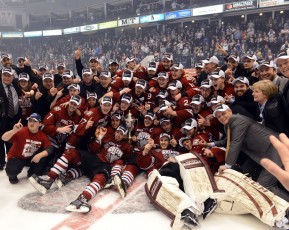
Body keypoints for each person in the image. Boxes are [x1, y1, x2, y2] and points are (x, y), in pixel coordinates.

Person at [211, 104, 289, 201]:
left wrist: (227, 166)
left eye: (223, 114)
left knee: (265, 185)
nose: (221, 117)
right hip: (267, 153)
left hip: (274, 150)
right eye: (218, 116)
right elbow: (227, 141)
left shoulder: (237, 121)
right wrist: (210, 144)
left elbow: (235, 143)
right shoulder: (228, 125)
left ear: (230, 111)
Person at [2, 113, 52, 184]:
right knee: (11, 171)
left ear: (40, 124)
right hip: (17, 157)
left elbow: (50, 148)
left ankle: (32, 173)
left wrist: (39, 155)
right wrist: (13, 131)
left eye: (34, 121)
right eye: (30, 120)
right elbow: (3, 138)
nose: (31, 123)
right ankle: (12, 175)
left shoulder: (42, 135)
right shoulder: (21, 131)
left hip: (30, 158)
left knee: (43, 157)